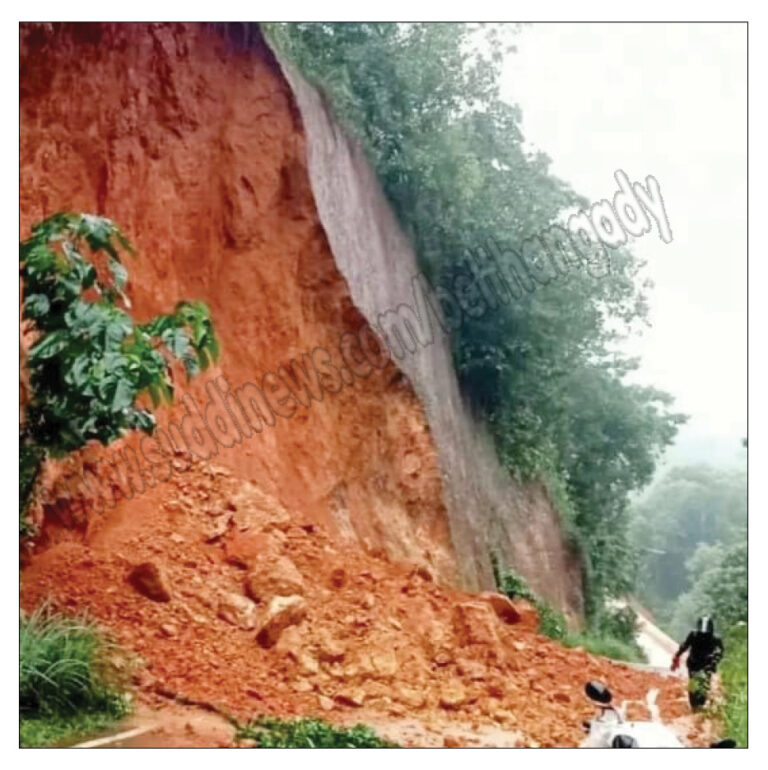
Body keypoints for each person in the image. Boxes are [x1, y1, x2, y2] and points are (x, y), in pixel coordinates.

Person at [671, 616, 724, 709]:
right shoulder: (694, 635)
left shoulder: (713, 638)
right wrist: (677, 657)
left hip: (706, 665)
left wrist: (714, 661)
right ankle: (695, 703)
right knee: (693, 684)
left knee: (704, 684)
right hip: (694, 663)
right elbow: (684, 646)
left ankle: (700, 702)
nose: (703, 636)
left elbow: (720, 652)